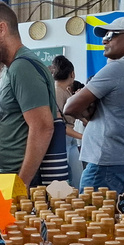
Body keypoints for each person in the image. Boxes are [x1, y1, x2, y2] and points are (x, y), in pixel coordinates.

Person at [64, 16, 124, 193]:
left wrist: (87, 115)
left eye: (111, 35)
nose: (104, 40)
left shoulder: (117, 68)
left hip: (105, 162)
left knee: (92, 210)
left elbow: (70, 107)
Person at [0, 1, 56, 187]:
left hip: (23, 178)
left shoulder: (22, 67)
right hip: (14, 175)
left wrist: (21, 184)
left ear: (1, 29)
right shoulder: (14, 67)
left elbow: (43, 127)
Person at [50, 55, 84, 187]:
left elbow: (75, 114)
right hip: (62, 140)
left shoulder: (65, 91)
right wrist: (83, 136)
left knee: (76, 178)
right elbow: (59, 125)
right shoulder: (58, 92)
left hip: (70, 138)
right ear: (72, 74)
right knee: (67, 181)